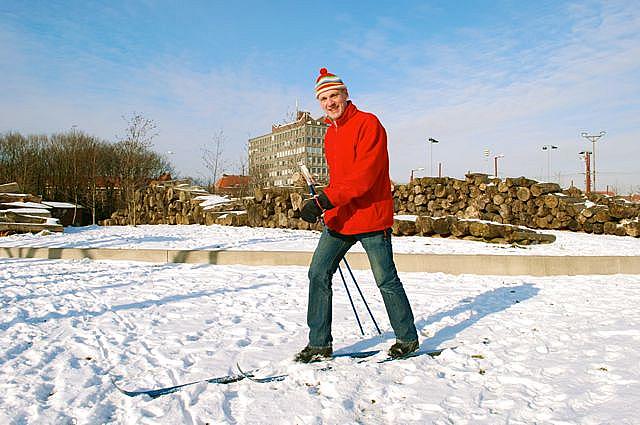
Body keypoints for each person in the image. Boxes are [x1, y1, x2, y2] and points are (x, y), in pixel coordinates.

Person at [294, 68, 419, 363]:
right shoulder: (330, 135)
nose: (329, 103)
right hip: (341, 218)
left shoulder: (369, 124)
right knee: (318, 273)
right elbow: (340, 181)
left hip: (371, 216)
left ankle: (407, 338)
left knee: (385, 279)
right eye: (323, 98)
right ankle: (319, 344)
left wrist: (326, 200)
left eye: (333, 96)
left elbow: (364, 177)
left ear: (345, 95)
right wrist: (320, 200)